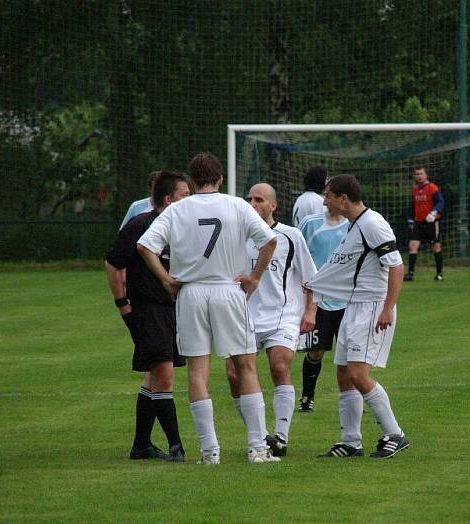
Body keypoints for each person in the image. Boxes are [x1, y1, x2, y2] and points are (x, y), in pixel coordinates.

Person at [137, 153, 280, 465]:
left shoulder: (177, 210)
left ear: (192, 180)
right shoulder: (237, 205)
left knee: (197, 371)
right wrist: (254, 278)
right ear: (220, 179)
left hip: (191, 293)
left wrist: (166, 281)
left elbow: (144, 246)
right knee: (246, 366)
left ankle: (209, 451)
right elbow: (270, 241)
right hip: (228, 290)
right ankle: (257, 449)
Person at [303, 174, 409, 459]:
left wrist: (388, 308)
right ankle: (351, 441)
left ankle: (394, 433)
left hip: (373, 307)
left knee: (359, 374)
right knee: (343, 374)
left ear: (343, 199)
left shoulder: (373, 224)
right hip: (354, 306)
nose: (324, 202)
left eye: (328, 196)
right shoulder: (355, 225)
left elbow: (396, 266)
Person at [104, 170, 191, 461]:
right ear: (168, 199)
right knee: (164, 375)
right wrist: (123, 304)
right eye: (184, 196)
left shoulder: (182, 226)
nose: (189, 200)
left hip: (171, 310)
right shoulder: (140, 225)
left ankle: (141, 445)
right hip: (148, 308)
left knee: (153, 375)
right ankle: (176, 446)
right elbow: (113, 264)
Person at [225, 182, 317, 457]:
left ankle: (281, 436)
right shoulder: (236, 237)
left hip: (283, 314)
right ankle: (262, 435)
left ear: (273, 206)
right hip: (243, 315)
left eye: (260, 199)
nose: (253, 203)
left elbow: (310, 278)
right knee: (232, 374)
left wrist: (311, 310)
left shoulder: (291, 237)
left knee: (279, 367)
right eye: (250, 199)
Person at [295, 206, 349, 412]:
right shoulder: (310, 224)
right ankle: (307, 397)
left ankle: (352, 400)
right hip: (319, 298)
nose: (325, 200)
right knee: (316, 351)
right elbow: (297, 253)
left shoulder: (354, 225)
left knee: (349, 354)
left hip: (347, 299)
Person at [404, 166, 445, 282]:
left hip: (431, 222)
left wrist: (434, 212)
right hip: (419, 222)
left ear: (426, 175)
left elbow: (441, 202)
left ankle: (439, 274)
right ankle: (410, 273)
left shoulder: (432, 188)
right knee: (412, 245)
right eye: (417, 174)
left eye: (421, 173)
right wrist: (410, 219)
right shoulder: (415, 189)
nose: (419, 176)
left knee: (435, 246)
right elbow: (412, 206)